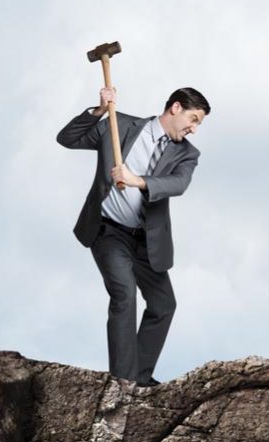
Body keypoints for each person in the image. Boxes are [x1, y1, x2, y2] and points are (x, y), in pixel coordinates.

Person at [56, 86, 210, 387]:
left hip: (147, 240)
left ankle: (140, 378)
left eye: (198, 124)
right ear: (176, 108)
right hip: (108, 231)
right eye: (193, 119)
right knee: (124, 295)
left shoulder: (187, 154)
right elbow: (67, 139)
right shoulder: (119, 124)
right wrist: (98, 111)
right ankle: (124, 384)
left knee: (164, 304)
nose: (194, 129)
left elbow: (177, 184)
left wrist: (135, 180)